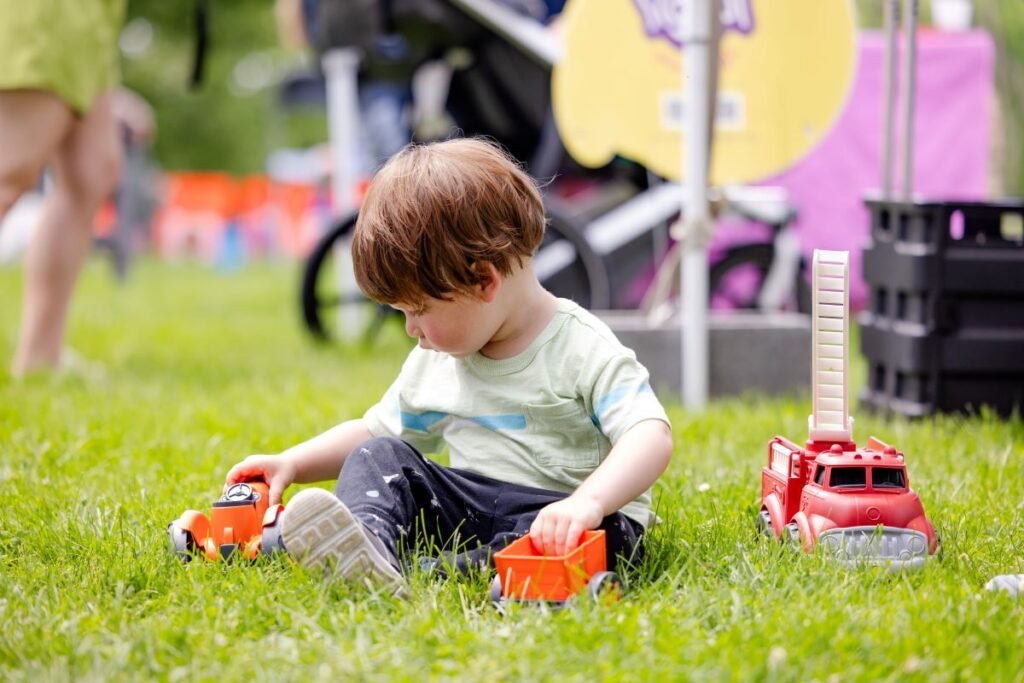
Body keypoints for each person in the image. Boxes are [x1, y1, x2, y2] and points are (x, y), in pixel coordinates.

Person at [225, 138, 673, 593]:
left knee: (604, 536)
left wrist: (588, 503)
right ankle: (367, 546)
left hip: (570, 521)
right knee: (378, 458)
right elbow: (375, 432)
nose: (410, 330)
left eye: (418, 310)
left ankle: (438, 573)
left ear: (483, 280)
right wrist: (290, 464)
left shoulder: (579, 346)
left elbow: (649, 434)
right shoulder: (436, 360)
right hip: (472, 505)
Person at [0, 1, 126, 376]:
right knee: (10, 170)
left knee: (93, 169)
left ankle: (40, 357)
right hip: (47, 12)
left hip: (95, 17)